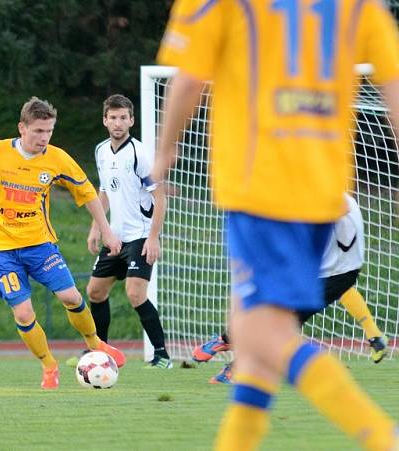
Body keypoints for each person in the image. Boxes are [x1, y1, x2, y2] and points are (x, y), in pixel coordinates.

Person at [154, 1, 399, 449]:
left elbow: (188, 78)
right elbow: (393, 85)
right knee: (251, 340)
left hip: (259, 184)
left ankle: (381, 435)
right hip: (326, 192)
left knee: (259, 334)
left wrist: (166, 151)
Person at [0, 96, 126, 390]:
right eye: (38, 131)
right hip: (0, 249)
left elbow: (88, 194)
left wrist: (106, 231)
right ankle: (49, 366)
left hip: (40, 245)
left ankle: (96, 344)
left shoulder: (57, 159)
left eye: (49, 131)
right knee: (23, 313)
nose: (43, 138)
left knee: (70, 296)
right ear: (22, 128)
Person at [193, 194, 388, 384]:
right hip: (322, 273)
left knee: (284, 321)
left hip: (333, 276)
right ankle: (228, 342)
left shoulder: (329, 201)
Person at [67, 94, 172, 369]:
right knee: (95, 292)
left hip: (140, 235)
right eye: (113, 117)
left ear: (131, 120)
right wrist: (96, 228)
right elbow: (103, 191)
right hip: (115, 237)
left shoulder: (140, 154)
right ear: (105, 120)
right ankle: (100, 351)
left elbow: (160, 198)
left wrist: (153, 238)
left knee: (135, 293)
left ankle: (161, 355)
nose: (118, 122)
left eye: (123, 117)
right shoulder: (101, 150)